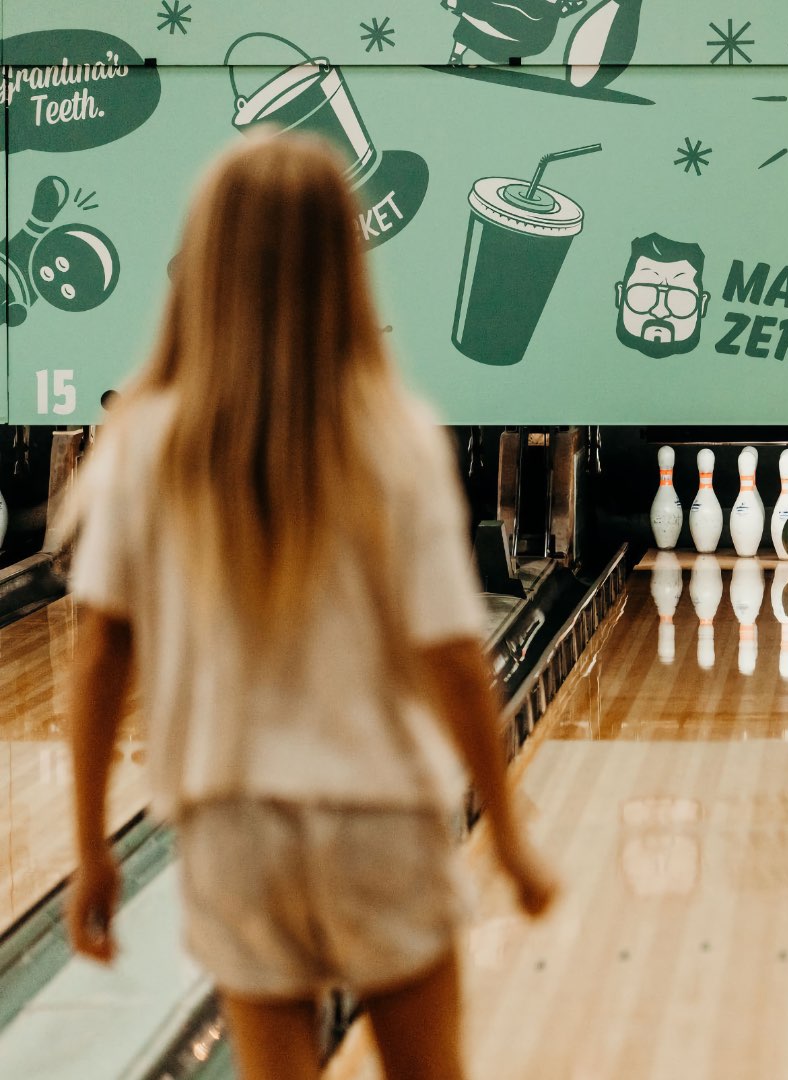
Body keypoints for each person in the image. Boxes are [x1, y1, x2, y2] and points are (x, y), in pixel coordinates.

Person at [64, 130, 556, 1080]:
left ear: (202, 265)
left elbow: (98, 657)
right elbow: (454, 656)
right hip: (380, 817)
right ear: (344, 266)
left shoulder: (140, 444)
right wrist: (510, 832)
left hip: (229, 822)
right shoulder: (393, 436)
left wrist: (92, 847)